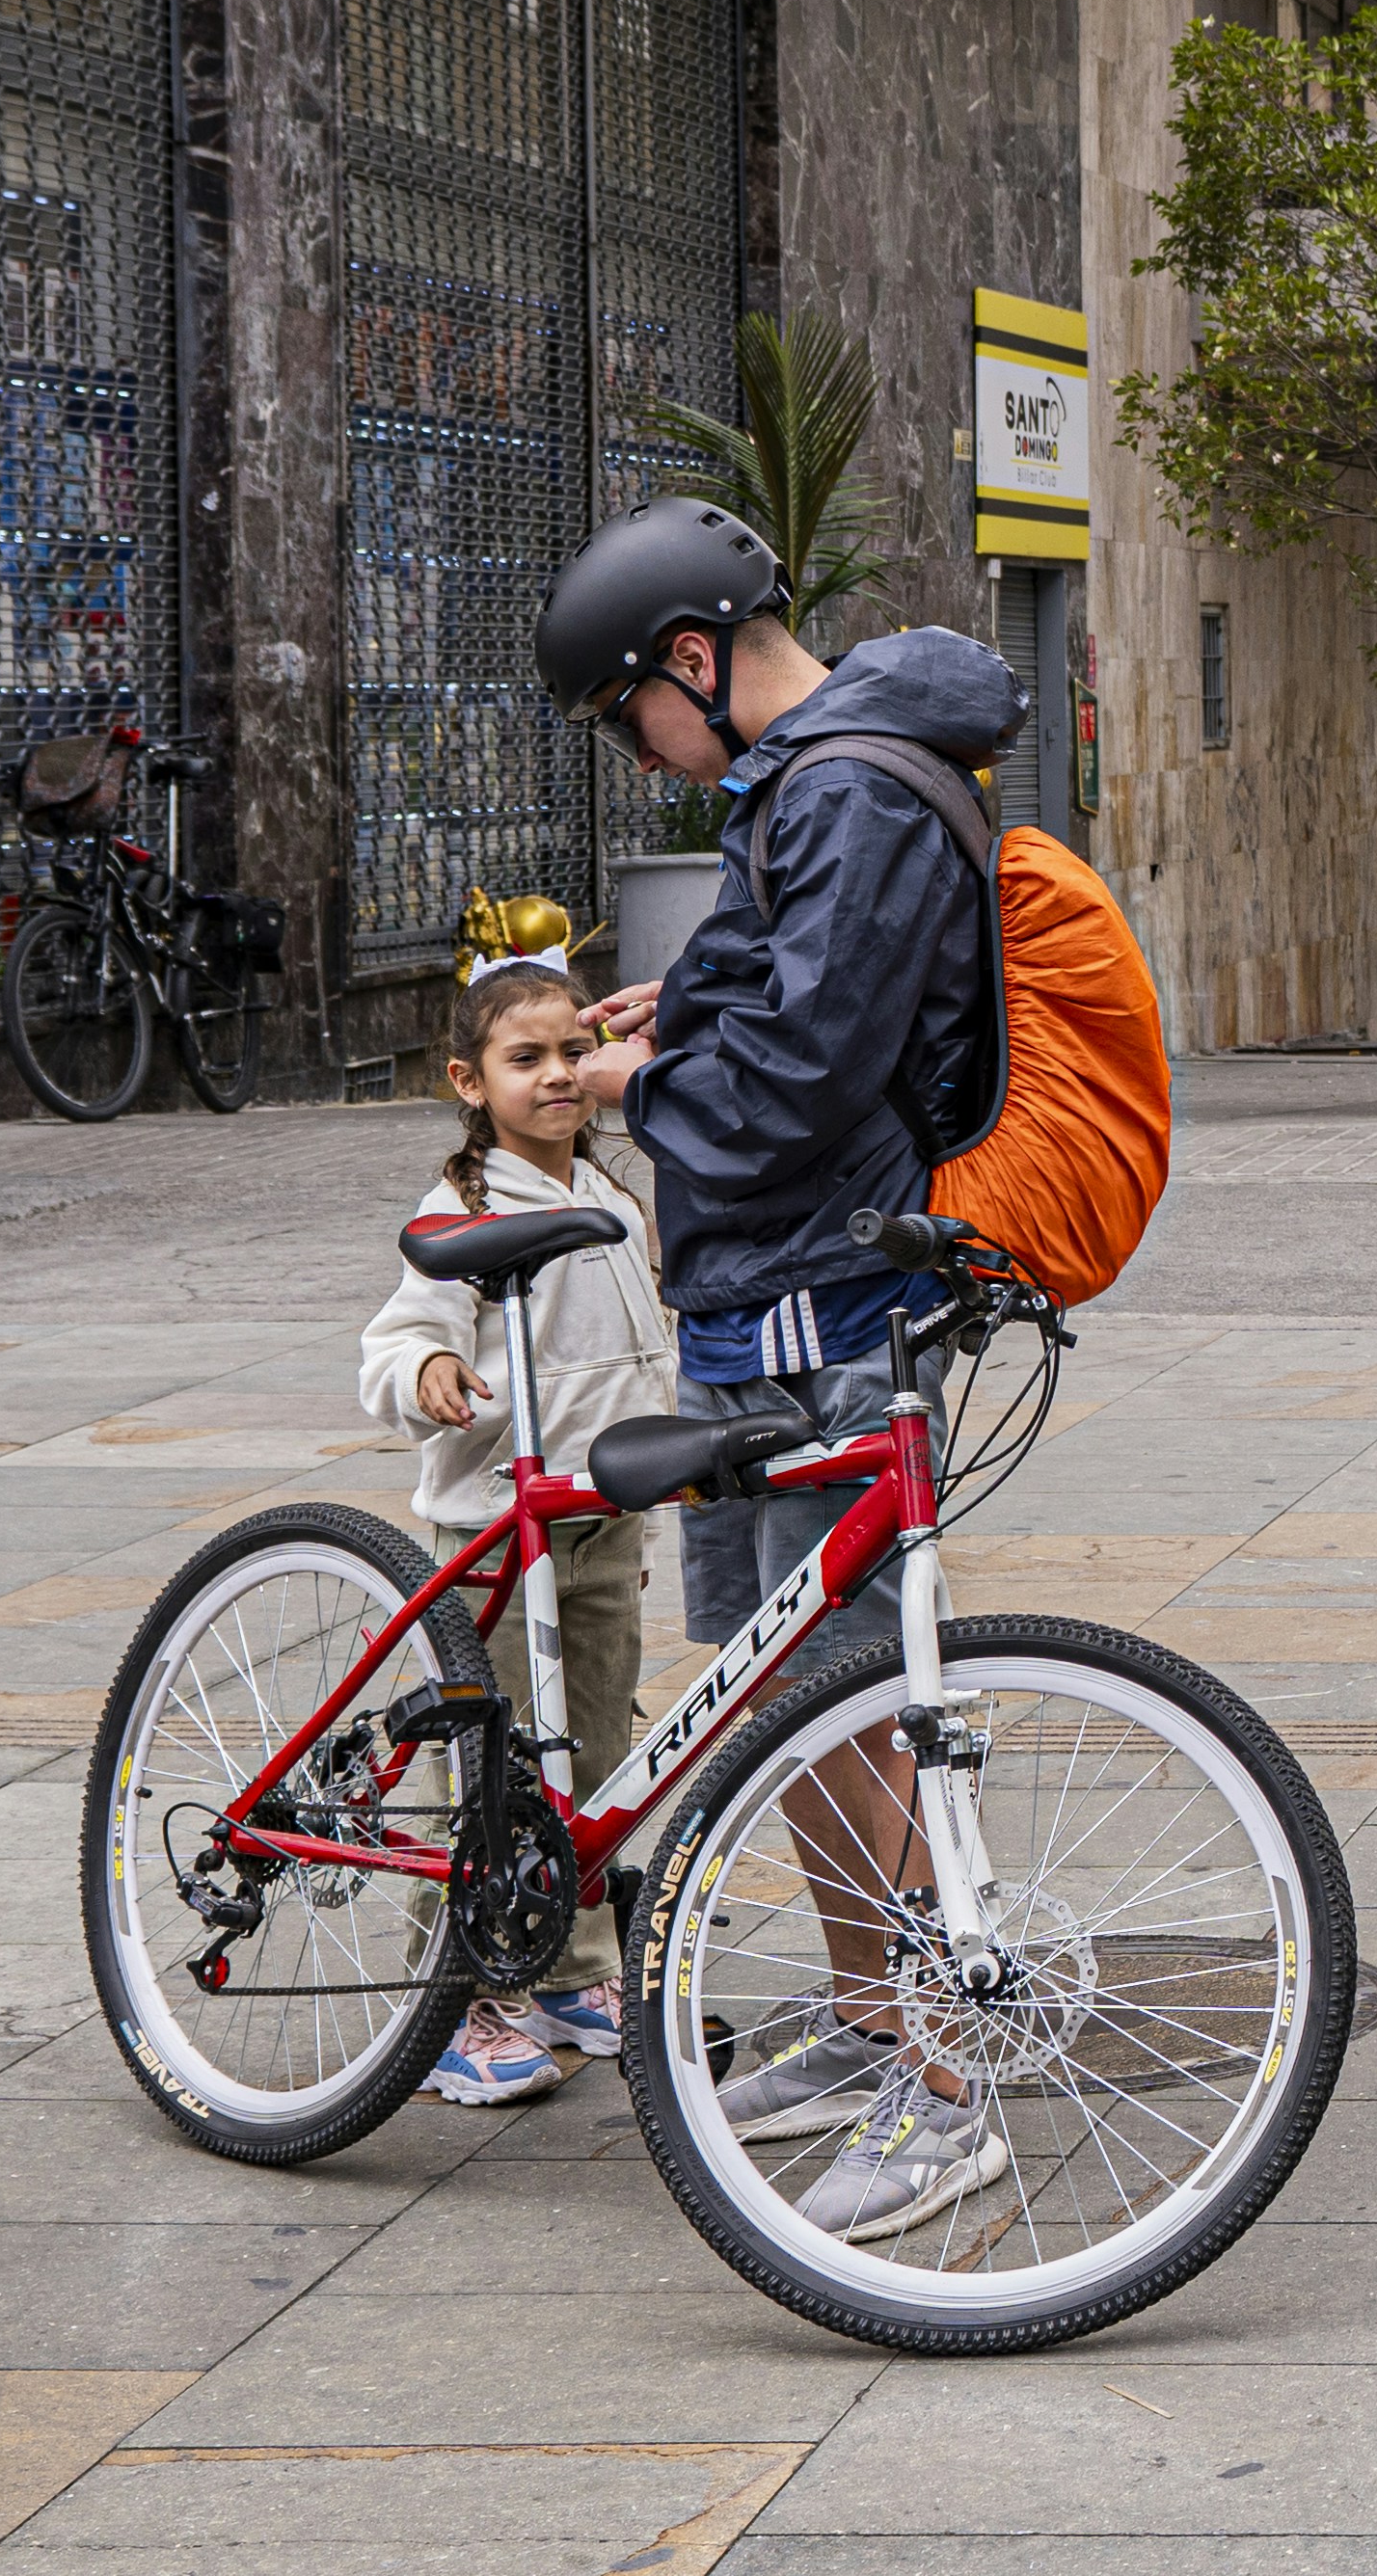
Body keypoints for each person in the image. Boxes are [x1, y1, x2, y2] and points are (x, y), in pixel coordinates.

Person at [533, 497, 1029, 2244]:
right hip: (761, 1286)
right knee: (783, 1695)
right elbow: (807, 990)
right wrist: (680, 1006)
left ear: (690, 658)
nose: (641, 756)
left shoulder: (846, 787)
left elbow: (812, 1071)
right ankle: (868, 2017)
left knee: (853, 1698)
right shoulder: (811, 781)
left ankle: (941, 2082)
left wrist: (630, 1089)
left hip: (826, 1294)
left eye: (629, 719)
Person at [358, 953, 673, 2108]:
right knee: (489, 1777)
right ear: (468, 1079)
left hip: (602, 1529)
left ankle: (571, 1968)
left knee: (592, 1759)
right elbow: (397, 1336)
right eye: (524, 1056)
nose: (556, 1075)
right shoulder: (466, 1210)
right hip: (492, 1537)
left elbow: (647, 1347)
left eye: (573, 1051)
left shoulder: (617, 1199)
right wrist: (428, 1368)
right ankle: (455, 1999)